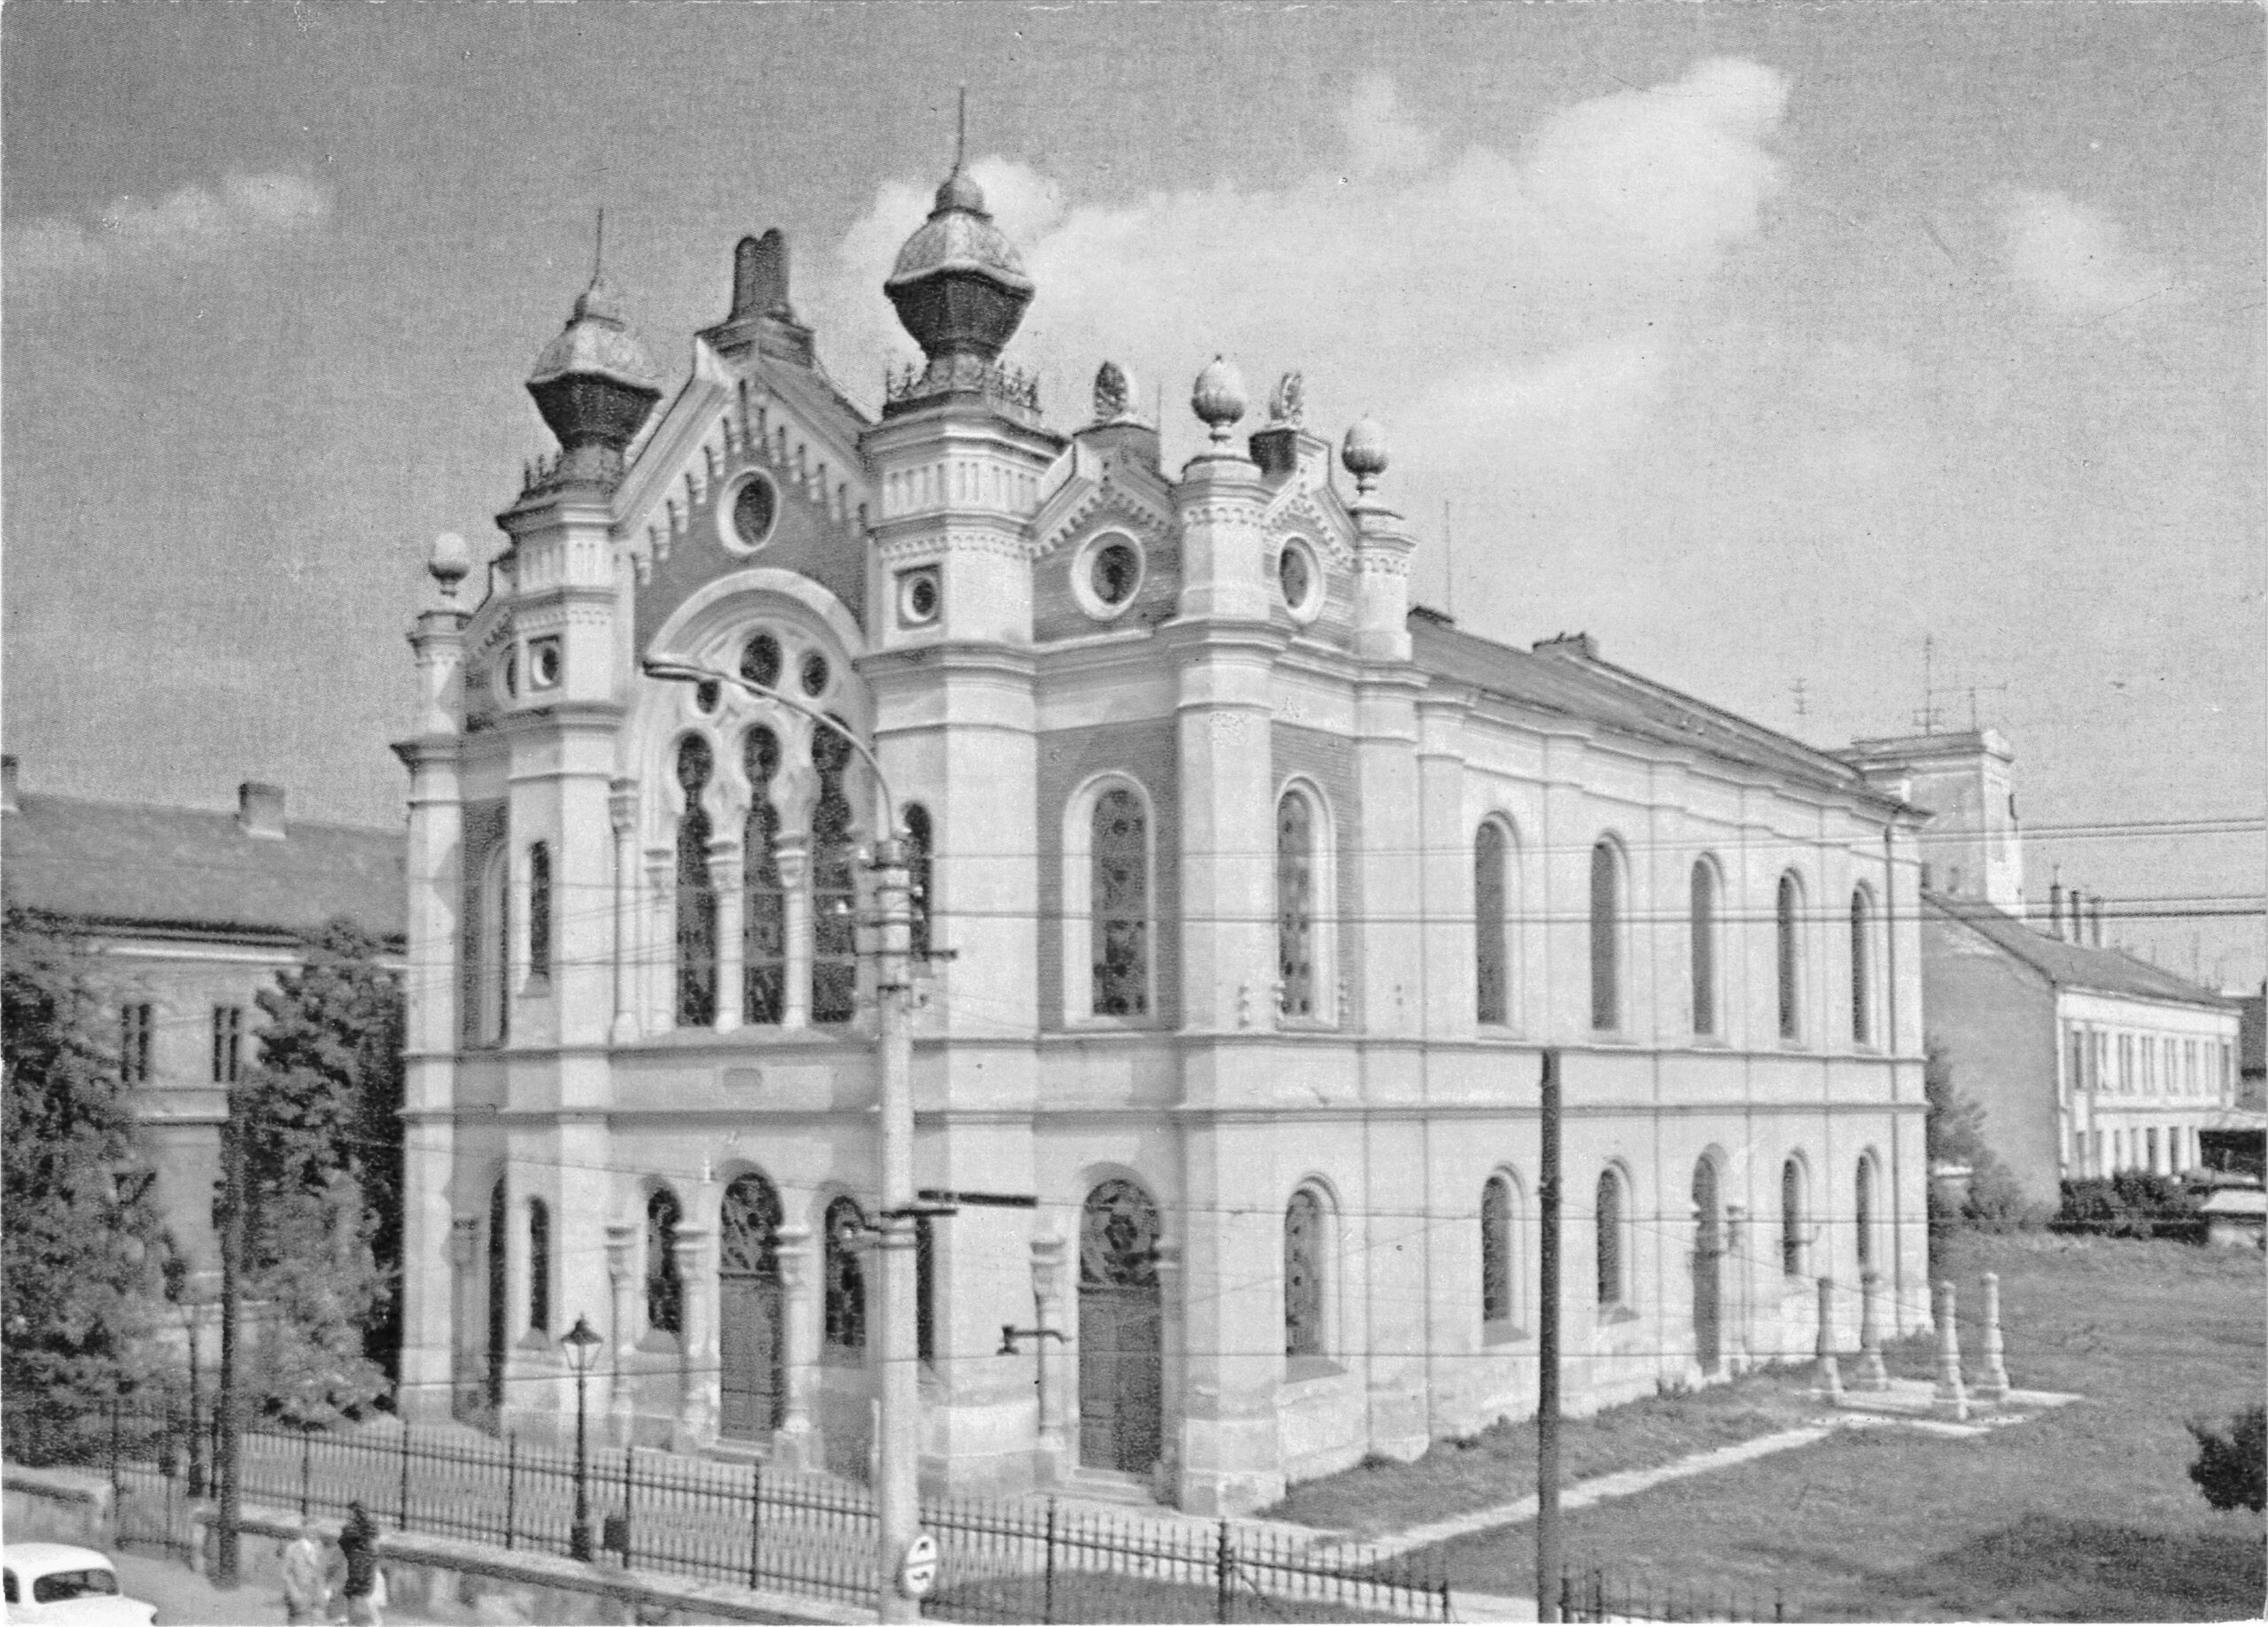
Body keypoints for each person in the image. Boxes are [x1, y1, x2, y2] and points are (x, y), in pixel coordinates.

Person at [337, 1501, 384, 1627]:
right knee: (356, 1596)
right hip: (357, 1566)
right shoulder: (355, 1529)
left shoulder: (364, 1529)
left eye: (353, 1512)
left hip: (363, 1567)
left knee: (363, 1597)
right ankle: (349, 1620)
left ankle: (368, 1622)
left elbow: (373, 1549)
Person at [279, 1515, 330, 1625]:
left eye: (316, 1531)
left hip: (316, 1594)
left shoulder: (320, 1548)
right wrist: (293, 1591)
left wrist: (324, 1591)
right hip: (298, 1593)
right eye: (310, 1530)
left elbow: (322, 1572)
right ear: (303, 1531)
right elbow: (286, 1573)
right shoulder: (293, 1549)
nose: (313, 1533)